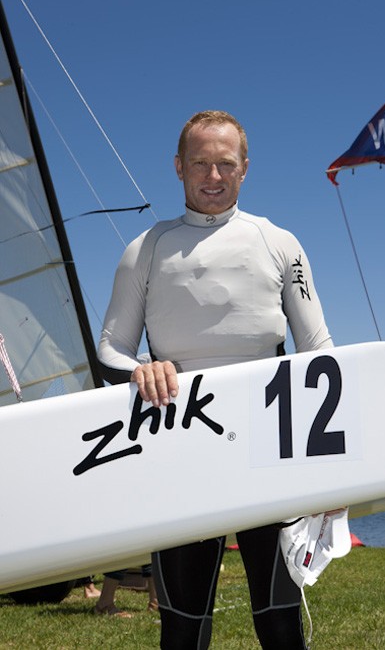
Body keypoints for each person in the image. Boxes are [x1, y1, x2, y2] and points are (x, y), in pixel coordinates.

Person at [98, 110, 333, 649]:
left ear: (245, 168)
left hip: (268, 449)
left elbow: (319, 351)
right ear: (178, 167)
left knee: (279, 622)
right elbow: (111, 349)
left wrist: (331, 466)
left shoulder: (279, 243)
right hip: (179, 448)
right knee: (182, 628)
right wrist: (141, 368)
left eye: (226, 163)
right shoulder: (146, 249)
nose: (213, 176)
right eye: (200, 163)